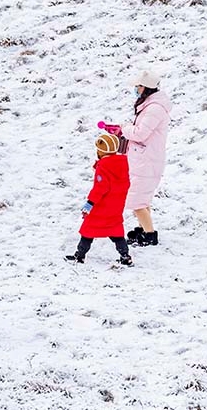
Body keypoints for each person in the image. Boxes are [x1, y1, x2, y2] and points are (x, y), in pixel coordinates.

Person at [114, 70, 172, 247]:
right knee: (142, 199)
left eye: (138, 86)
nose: (136, 89)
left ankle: (149, 235)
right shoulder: (151, 106)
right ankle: (143, 229)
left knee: (136, 201)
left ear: (146, 88)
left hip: (146, 161)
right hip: (144, 159)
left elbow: (140, 134)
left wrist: (125, 128)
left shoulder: (154, 109)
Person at [65, 134, 132, 266]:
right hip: (116, 205)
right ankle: (125, 255)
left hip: (101, 206)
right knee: (116, 230)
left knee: (88, 230)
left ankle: (80, 255)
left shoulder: (104, 167)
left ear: (102, 151)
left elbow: (100, 188)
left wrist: (90, 203)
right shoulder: (123, 164)